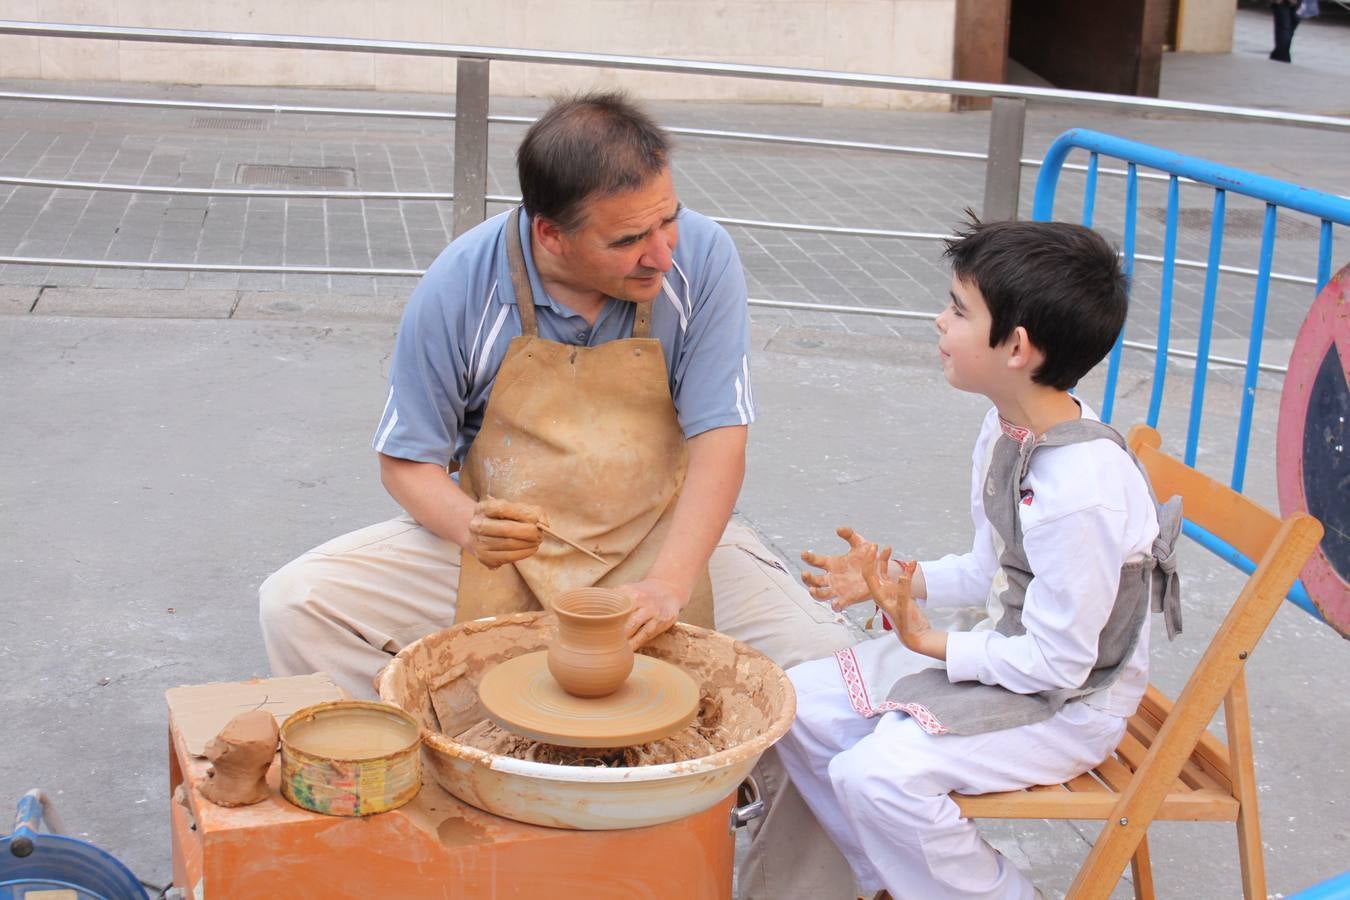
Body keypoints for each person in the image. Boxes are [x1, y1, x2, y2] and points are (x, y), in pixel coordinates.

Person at [258, 91, 858, 702]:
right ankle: (423, 763)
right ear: (551, 234)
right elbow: (406, 460)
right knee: (296, 603)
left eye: (668, 218)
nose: (661, 252)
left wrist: (668, 586)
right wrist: (470, 525)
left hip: (662, 529)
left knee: (830, 664)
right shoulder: (460, 285)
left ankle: (725, 795)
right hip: (512, 546)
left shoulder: (700, 258)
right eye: (627, 240)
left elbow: (720, 439)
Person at [776, 218, 1181, 899]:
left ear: (1016, 347)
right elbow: (989, 570)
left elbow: (1061, 664)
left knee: (874, 775)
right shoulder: (1008, 428)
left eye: (960, 310)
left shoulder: (1081, 491)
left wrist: (932, 643)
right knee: (794, 706)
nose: (939, 321)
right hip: (1007, 660)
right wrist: (903, 582)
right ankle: (896, 884)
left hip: (1071, 706)